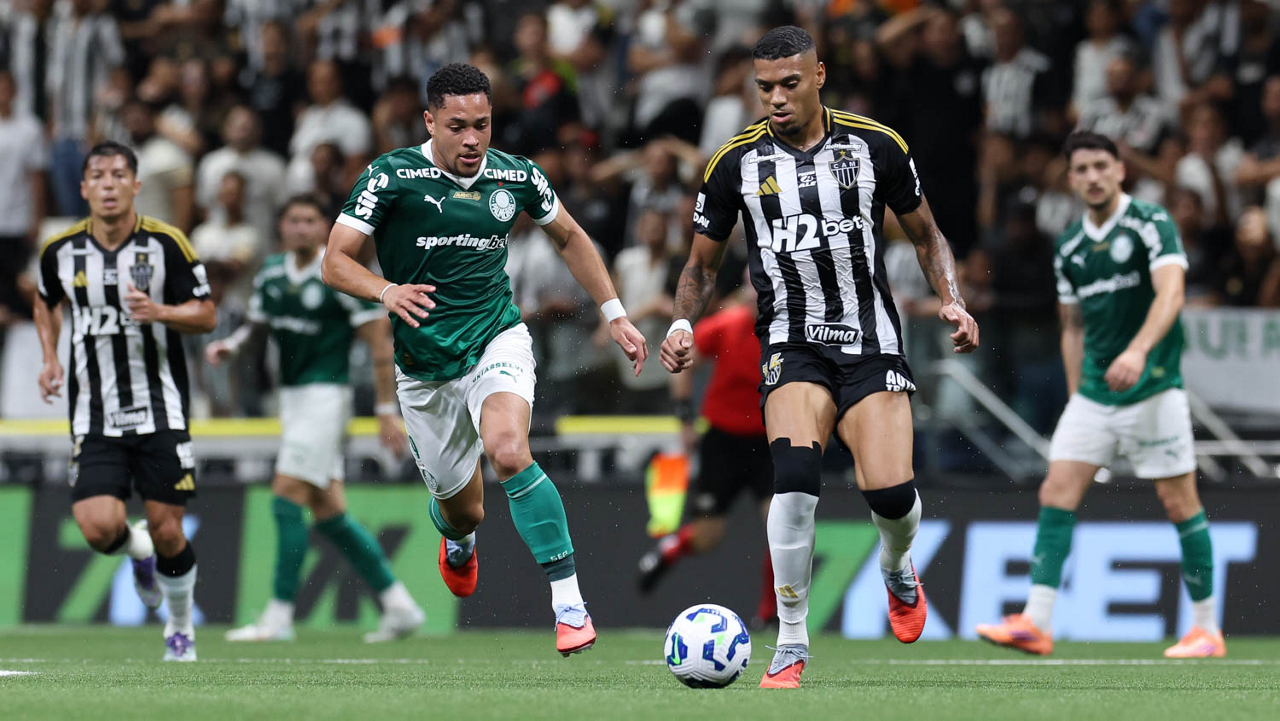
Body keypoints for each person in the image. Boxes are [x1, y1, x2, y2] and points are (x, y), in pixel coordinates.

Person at [660, 26, 979, 689]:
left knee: (891, 495)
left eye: (789, 84)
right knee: (796, 478)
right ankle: (791, 640)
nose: (776, 98)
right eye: (765, 88)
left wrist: (952, 299)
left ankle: (897, 565)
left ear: (819, 76)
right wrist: (684, 321)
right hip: (791, 342)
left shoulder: (876, 145)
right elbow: (701, 265)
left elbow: (927, 235)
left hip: (871, 343)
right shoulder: (734, 163)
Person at [321, 63, 647, 657]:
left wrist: (615, 313)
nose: (472, 139)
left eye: (483, 125)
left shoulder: (515, 175)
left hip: (496, 337)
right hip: (424, 369)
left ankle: (570, 606)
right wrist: (386, 291)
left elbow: (570, 236)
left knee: (509, 449)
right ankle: (458, 539)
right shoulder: (391, 176)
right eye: (458, 127)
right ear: (430, 122)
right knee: (464, 511)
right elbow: (335, 261)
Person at [976, 132, 1225, 659]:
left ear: (1119, 170)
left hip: (1154, 387)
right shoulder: (1069, 246)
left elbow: (1172, 293)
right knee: (1056, 492)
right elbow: (1072, 327)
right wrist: (1076, 396)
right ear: (1070, 179)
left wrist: (1137, 351)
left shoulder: (1150, 223)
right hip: (1093, 394)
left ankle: (1206, 629)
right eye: (1082, 169)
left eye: (1100, 166)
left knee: (1179, 502)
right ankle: (1036, 621)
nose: (1092, 177)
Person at [206, 195, 426, 643]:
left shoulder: (339, 273)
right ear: (282, 227)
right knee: (329, 512)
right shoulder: (271, 273)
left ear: (324, 227)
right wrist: (232, 345)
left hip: (327, 397)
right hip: (291, 401)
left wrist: (387, 410)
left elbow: (378, 339)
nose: (301, 228)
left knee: (286, 494)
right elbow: (257, 325)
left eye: (310, 220)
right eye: (293, 220)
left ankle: (279, 616)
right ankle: (400, 606)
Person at [34, 141, 216, 661]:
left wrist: (161, 312)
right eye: (98, 175)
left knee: (168, 530)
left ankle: (179, 627)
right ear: (84, 188)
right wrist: (50, 357)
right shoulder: (60, 250)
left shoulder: (167, 244)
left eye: (118, 174)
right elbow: (45, 300)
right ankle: (137, 552)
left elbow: (206, 314)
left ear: (135, 185)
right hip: (94, 414)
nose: (108, 184)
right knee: (98, 529)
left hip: (161, 409)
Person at [637, 287, 776, 629]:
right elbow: (683, 364)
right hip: (723, 441)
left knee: (781, 528)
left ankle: (771, 613)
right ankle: (668, 550)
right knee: (707, 535)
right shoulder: (726, 326)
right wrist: (685, 418)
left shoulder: (786, 333)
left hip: (769, 441)